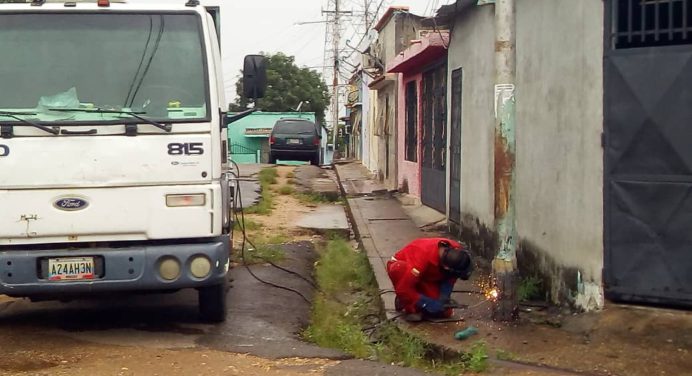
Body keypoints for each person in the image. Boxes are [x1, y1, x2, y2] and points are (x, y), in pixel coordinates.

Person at [386, 238, 473, 321]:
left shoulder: (456, 250)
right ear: (446, 267)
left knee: (445, 312)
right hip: (405, 272)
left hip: (426, 275)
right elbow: (403, 288)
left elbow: (451, 276)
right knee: (400, 270)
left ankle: (415, 298)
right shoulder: (421, 259)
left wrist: (444, 296)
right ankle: (406, 303)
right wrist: (425, 303)